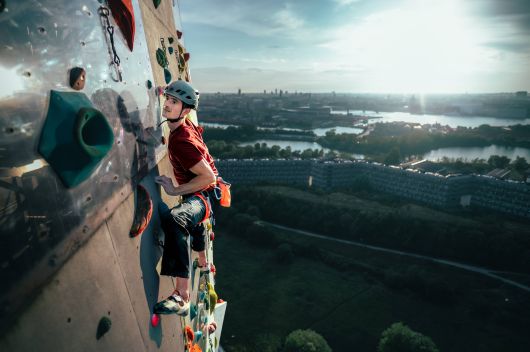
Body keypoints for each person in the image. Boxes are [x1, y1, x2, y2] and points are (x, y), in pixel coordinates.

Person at [153, 80, 219, 316]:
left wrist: (173, 190)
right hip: (201, 194)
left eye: (174, 102)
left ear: (186, 110)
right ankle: (203, 262)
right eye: (167, 100)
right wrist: (163, 90)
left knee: (177, 219)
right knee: (197, 227)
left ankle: (182, 297)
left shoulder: (182, 141)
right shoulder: (183, 124)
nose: (167, 105)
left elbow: (208, 177)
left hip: (201, 195)